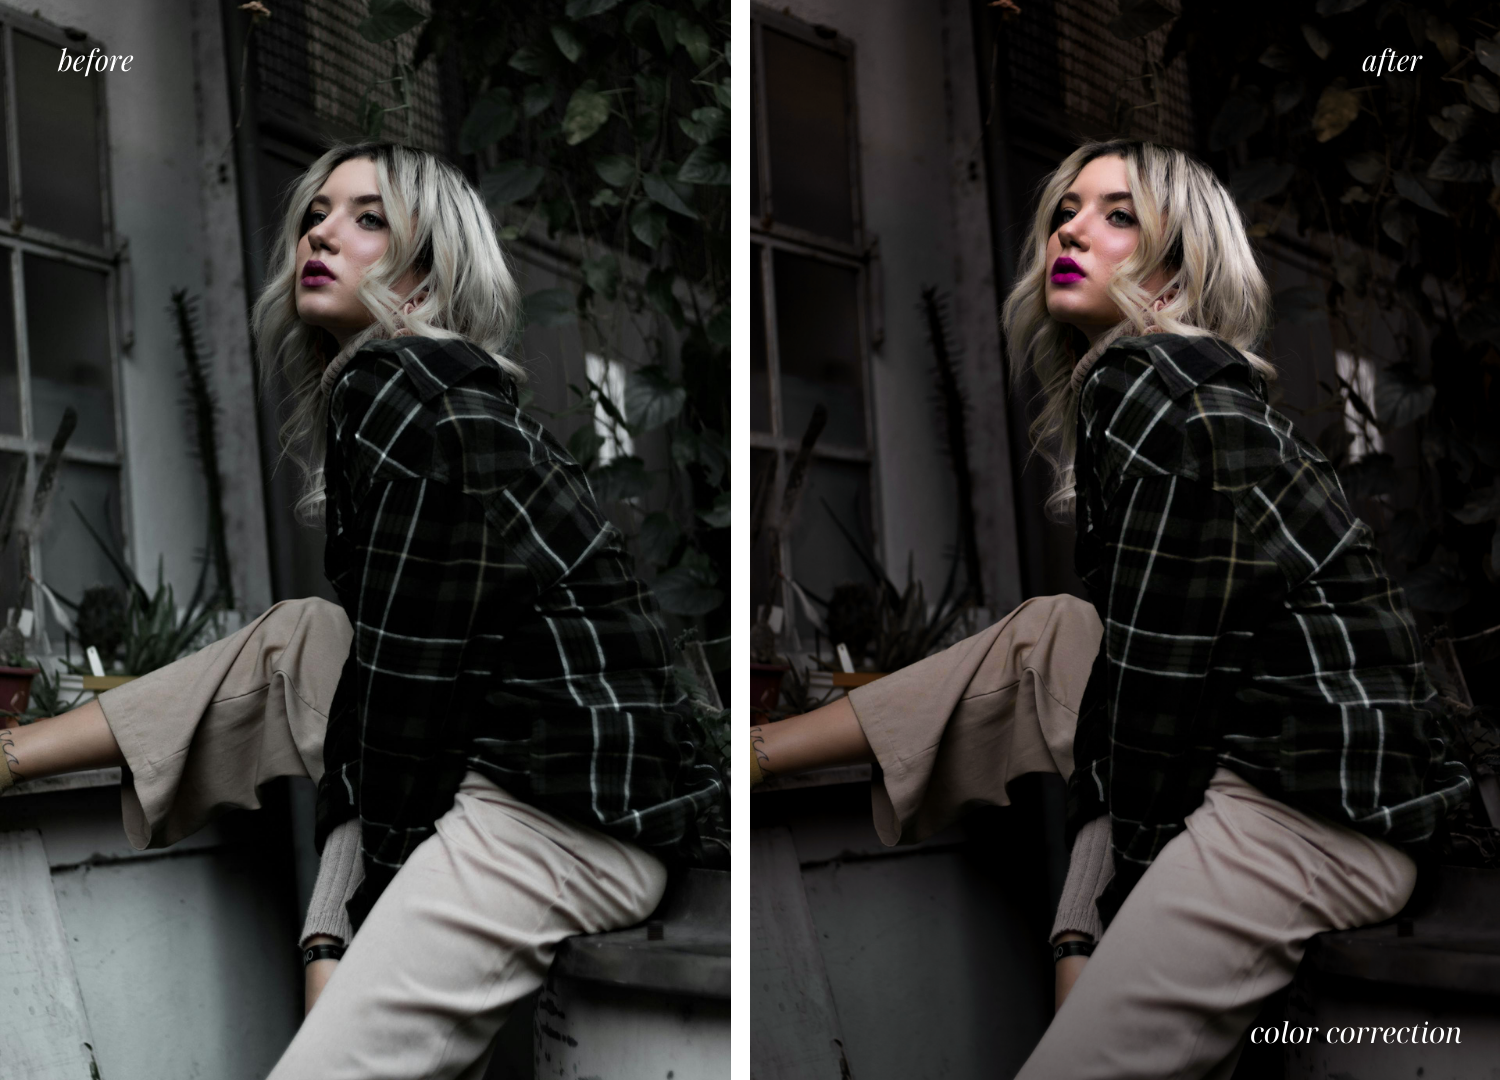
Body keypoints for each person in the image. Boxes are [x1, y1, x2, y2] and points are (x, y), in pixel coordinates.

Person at [748, 138, 1471, 1079]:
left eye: (1118, 215)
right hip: (1259, 772)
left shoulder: (1156, 395)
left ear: (1177, 271)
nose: (1073, 229)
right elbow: (1125, 689)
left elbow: (1155, 721)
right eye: (1066, 210)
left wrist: (1081, 930)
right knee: (1057, 632)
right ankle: (758, 753)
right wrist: (1078, 932)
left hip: (1307, 819)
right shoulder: (1162, 393)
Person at [0, 141, 724, 1079]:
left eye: (369, 218)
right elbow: (373, 696)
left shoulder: (406, 396)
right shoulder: (421, 396)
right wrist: (329, 939)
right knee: (305, 637)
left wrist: (333, 936)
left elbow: (406, 721)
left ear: (427, 271)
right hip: (541, 799)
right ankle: (14, 751)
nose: (322, 232)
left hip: (554, 824)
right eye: (316, 213)